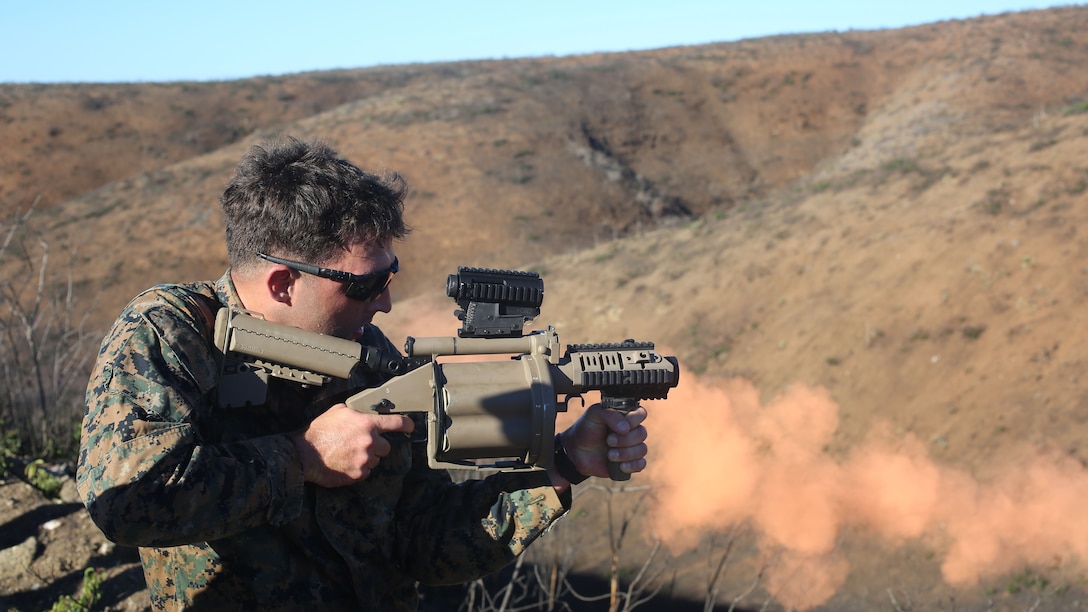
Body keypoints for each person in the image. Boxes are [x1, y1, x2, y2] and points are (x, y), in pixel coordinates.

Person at [77, 136, 649, 611]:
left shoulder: (366, 356)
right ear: (283, 283)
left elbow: (423, 541)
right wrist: (302, 458)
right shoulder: (173, 331)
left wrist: (566, 464)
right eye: (365, 284)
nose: (386, 305)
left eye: (390, 274)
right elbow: (125, 500)